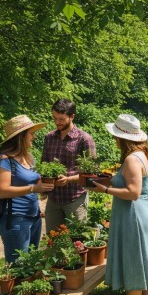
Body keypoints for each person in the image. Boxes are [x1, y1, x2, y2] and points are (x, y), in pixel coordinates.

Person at [89, 114, 148, 295]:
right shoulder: (144, 155)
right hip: (146, 213)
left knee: (135, 266)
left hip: (135, 218)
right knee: (147, 264)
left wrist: (104, 189)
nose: (114, 141)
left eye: (115, 137)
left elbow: (133, 192)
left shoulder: (131, 159)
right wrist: (112, 179)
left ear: (122, 138)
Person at [0, 115, 54, 264]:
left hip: (34, 216)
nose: (34, 136)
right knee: (18, 266)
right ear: (21, 136)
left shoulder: (28, 157)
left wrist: (47, 184)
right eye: (31, 133)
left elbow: (33, 181)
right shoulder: (4, 159)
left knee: (32, 263)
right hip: (15, 218)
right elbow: (2, 191)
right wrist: (34, 188)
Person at [41, 99, 97, 233]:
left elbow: (92, 172)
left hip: (75, 198)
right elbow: (44, 164)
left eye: (61, 119)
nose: (57, 122)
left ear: (72, 116)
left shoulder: (84, 139)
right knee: (53, 241)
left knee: (77, 241)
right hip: (54, 199)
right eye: (54, 118)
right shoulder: (49, 137)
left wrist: (68, 179)